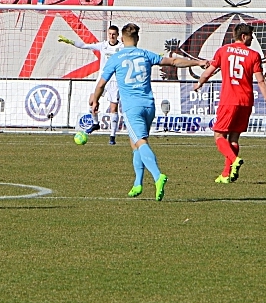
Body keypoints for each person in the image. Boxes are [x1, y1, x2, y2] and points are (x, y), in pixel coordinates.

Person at [89, 23, 208, 201]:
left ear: (121, 39)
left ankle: (158, 176)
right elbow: (174, 61)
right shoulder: (145, 54)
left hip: (131, 108)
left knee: (141, 142)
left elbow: (101, 84)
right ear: (137, 38)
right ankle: (138, 183)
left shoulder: (115, 58)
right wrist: (198, 62)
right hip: (149, 106)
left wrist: (95, 100)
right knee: (134, 143)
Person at [192, 24, 266, 184]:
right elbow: (261, 80)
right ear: (244, 36)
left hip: (228, 100)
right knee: (234, 138)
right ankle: (226, 174)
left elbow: (209, 72)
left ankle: (234, 160)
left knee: (218, 136)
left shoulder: (223, 51)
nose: (252, 38)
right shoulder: (254, 55)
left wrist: (199, 83)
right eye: (251, 36)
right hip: (246, 101)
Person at [60, 25, 123, 144]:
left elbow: (133, 52)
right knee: (91, 101)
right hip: (102, 78)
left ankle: (112, 137)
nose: (112, 36)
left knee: (113, 108)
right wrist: (71, 42)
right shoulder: (103, 45)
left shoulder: (122, 47)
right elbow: (85, 46)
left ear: (117, 35)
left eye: (114, 34)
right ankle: (95, 124)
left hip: (114, 79)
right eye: (110, 34)